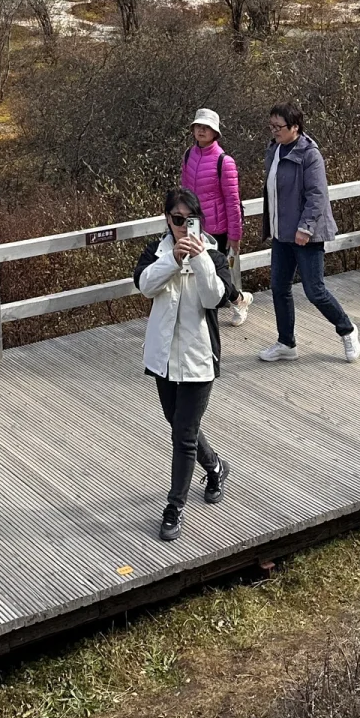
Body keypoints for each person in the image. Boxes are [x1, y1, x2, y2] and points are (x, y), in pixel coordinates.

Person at [134, 187, 232, 542]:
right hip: (162, 359)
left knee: (184, 435)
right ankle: (216, 466)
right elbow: (144, 287)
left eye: (189, 220)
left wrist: (201, 256)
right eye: (176, 220)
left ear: (199, 221)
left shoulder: (215, 256)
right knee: (178, 424)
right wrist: (172, 259)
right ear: (167, 220)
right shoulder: (157, 252)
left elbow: (214, 297)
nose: (182, 228)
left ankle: (174, 507)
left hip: (199, 359)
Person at [259, 103, 360, 363]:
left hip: (307, 233)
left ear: (295, 127)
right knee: (279, 287)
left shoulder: (309, 154)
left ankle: (347, 330)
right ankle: (286, 342)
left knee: (314, 290)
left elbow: (317, 196)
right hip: (282, 232)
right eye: (271, 126)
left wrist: (305, 228)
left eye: (279, 127)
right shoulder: (274, 150)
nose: (274, 131)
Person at [180, 108, 244, 262]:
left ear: (215, 132)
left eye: (207, 127)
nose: (201, 130)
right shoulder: (189, 155)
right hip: (192, 227)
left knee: (216, 277)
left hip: (216, 231)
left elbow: (232, 201)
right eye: (198, 126)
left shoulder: (224, 161)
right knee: (193, 277)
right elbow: (183, 193)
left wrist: (234, 236)